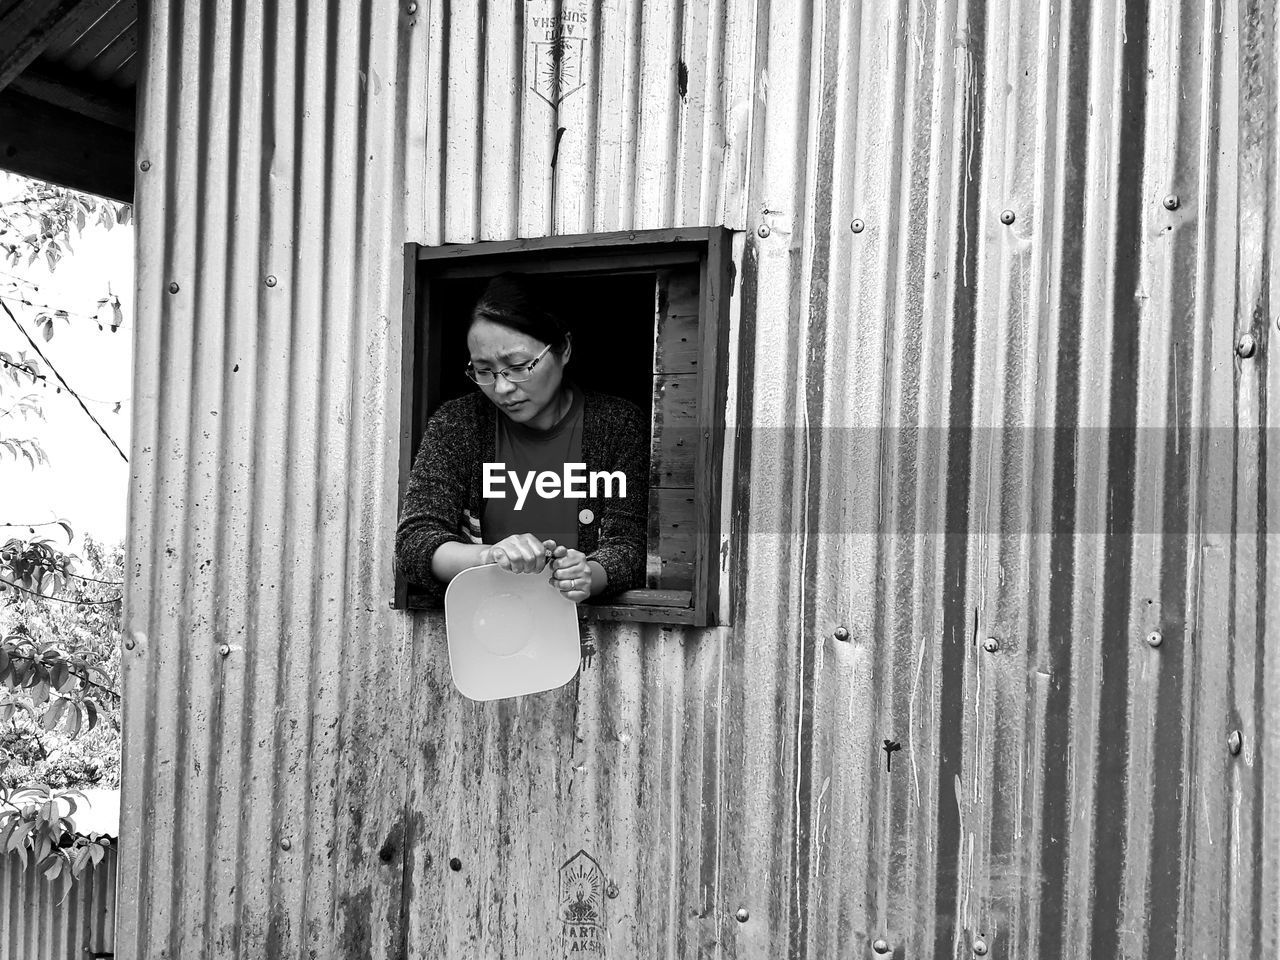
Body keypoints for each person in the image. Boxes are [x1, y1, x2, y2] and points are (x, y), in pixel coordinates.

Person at [395, 273, 649, 607]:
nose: (501, 388)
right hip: (486, 627)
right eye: (484, 371)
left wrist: (588, 573)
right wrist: (489, 556)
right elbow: (415, 541)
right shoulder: (459, 424)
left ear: (564, 349)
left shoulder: (618, 425)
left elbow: (629, 548)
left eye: (517, 366)